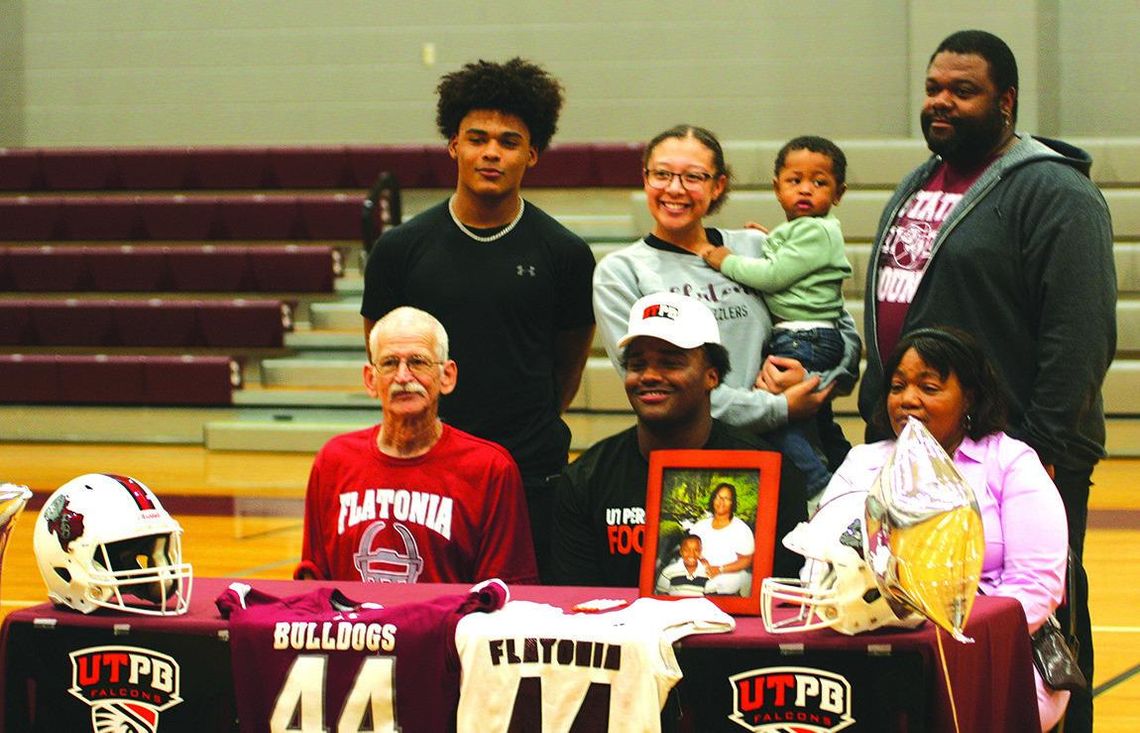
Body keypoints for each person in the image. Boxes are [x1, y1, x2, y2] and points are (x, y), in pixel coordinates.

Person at [859, 31, 1114, 730]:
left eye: (962, 91)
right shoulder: (920, 182)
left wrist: (1040, 447)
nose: (941, 101)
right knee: (922, 611)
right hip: (915, 451)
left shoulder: (1055, 192)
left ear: (1005, 102)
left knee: (1036, 620)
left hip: (1012, 455)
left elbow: (1081, 331)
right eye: (933, 88)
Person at [360, 58, 596, 581]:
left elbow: (568, 365)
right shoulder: (399, 250)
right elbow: (384, 359)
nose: (491, 152)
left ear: (532, 154)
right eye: (477, 138)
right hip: (422, 474)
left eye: (509, 141)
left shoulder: (565, 253)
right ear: (453, 145)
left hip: (528, 475)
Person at [815, 327, 1069, 731]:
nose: (908, 399)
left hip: (992, 651)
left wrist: (948, 637)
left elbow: (1038, 586)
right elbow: (818, 564)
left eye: (929, 386)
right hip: (873, 638)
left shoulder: (1010, 462)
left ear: (969, 396)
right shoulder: (863, 463)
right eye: (897, 386)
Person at [592, 124, 862, 477]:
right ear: (645, 179)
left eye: (693, 176)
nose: (675, 188)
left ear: (717, 185)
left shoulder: (753, 247)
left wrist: (817, 381)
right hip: (698, 462)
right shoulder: (621, 272)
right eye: (662, 174)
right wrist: (777, 407)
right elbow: (652, 382)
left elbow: (841, 331)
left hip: (801, 449)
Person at [551, 290, 807, 587]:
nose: (648, 375)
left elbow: (785, 599)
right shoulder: (585, 480)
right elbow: (574, 604)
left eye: (670, 363)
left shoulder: (772, 474)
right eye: (636, 364)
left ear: (712, 376)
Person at [295, 307, 538, 585]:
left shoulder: (490, 469)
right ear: (370, 379)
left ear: (447, 376)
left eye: (418, 362)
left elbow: (506, 593)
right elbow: (312, 582)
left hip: (446, 629)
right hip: (353, 629)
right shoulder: (333, 461)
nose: (403, 377)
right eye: (388, 363)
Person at [700, 136, 853, 501]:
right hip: (805, 335)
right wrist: (770, 243)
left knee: (782, 425)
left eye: (819, 183)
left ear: (839, 193)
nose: (805, 189)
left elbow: (773, 277)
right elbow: (788, 265)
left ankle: (822, 489)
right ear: (776, 187)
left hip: (805, 337)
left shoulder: (816, 229)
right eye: (794, 180)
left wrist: (726, 261)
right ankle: (839, 481)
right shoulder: (802, 231)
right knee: (808, 423)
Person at [689, 482, 755, 595]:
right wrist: (699, 559)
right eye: (718, 497)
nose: (721, 502)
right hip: (699, 571)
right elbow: (688, 548)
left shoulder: (741, 529)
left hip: (728, 576)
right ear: (713, 500)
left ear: (732, 503)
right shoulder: (699, 526)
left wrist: (719, 569)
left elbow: (746, 560)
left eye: (726, 498)